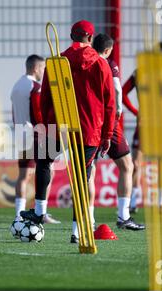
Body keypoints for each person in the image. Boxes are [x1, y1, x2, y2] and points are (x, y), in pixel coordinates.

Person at [21, 20, 116, 244]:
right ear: (90, 39)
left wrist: (45, 122)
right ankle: (76, 231)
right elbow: (110, 102)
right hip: (90, 128)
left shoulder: (56, 61)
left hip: (59, 124)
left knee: (44, 161)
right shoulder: (101, 64)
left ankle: (39, 210)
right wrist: (107, 135)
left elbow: (45, 98)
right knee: (81, 179)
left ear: (72, 35)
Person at [92, 33, 145, 230]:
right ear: (107, 50)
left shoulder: (81, 62)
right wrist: (118, 112)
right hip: (107, 121)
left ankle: (87, 219)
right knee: (126, 166)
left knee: (90, 170)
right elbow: (117, 90)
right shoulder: (108, 64)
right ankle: (123, 216)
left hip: (86, 122)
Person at [123, 42, 162, 213]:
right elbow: (123, 92)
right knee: (136, 162)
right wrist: (136, 112)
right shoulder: (140, 73)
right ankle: (132, 202)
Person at [10, 54, 60, 225]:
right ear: (36, 68)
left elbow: (14, 112)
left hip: (19, 132)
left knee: (24, 175)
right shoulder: (35, 86)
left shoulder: (17, 85)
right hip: (34, 134)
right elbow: (39, 113)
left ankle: (18, 214)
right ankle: (42, 211)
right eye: (43, 68)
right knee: (48, 170)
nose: (44, 71)